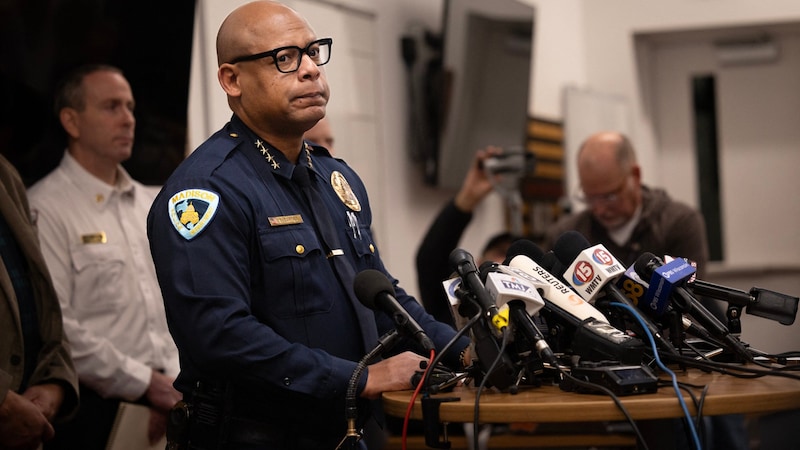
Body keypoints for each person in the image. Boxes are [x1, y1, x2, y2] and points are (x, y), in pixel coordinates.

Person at [146, 2, 469, 449]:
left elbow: (384, 300)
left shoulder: (336, 178)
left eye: (314, 52)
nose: (311, 70)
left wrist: (465, 351)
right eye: (285, 58)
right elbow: (219, 336)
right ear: (231, 80)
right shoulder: (207, 190)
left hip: (352, 428)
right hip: (259, 435)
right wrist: (359, 377)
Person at [543, 131, 746, 450]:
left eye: (608, 196)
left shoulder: (679, 222)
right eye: (589, 197)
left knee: (712, 409)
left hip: (682, 354)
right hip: (599, 357)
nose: (599, 208)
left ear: (634, 176)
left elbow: (690, 300)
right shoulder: (567, 236)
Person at [27, 64, 181, 449]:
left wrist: (178, 383)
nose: (129, 119)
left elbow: (183, 299)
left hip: (178, 398)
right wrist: (147, 384)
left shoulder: (153, 203)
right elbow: (58, 327)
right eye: (112, 107)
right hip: (96, 410)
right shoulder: (45, 208)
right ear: (71, 121)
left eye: (130, 107)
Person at [0, 154, 79, 449]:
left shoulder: (6, 173)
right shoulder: (49, 199)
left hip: (31, 414)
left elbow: (43, 300)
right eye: (112, 106)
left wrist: (55, 380)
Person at [416, 145, 519, 328]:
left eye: (513, 261)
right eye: (500, 252)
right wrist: (468, 198)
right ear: (478, 263)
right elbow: (430, 260)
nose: (505, 262)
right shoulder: (460, 310)